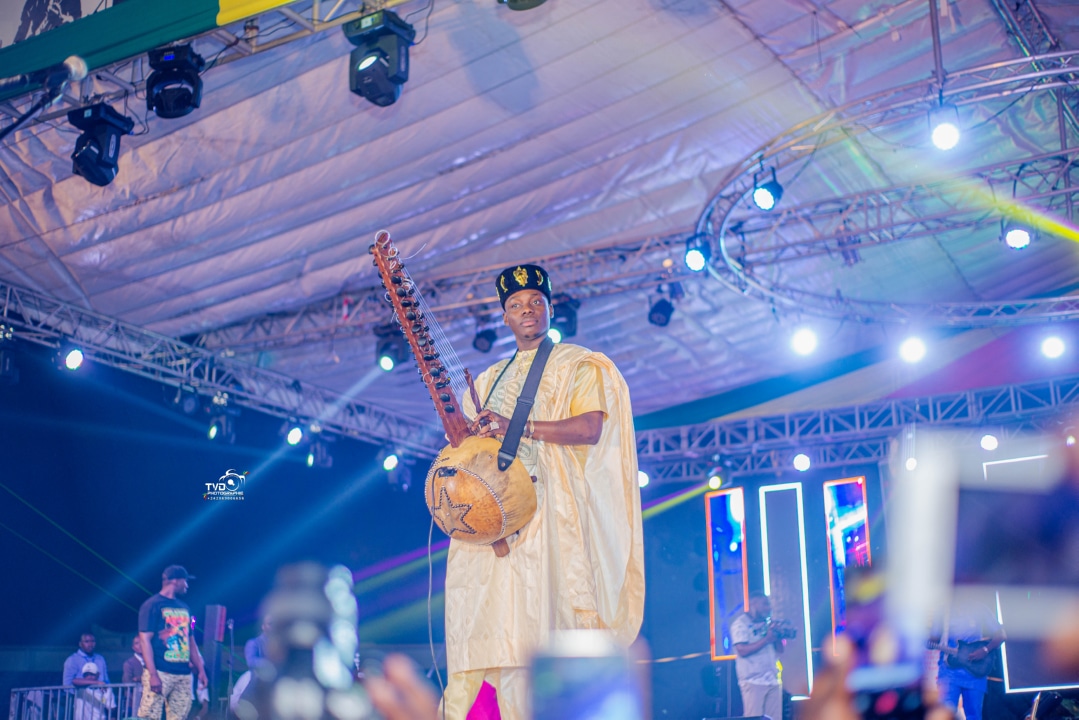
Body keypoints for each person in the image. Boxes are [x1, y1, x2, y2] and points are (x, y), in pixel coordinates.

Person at [443, 264, 645, 719]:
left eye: (536, 301)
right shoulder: (487, 379)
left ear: (551, 308)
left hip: (551, 513)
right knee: (488, 632)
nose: (527, 310)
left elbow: (590, 429)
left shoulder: (578, 363)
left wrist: (520, 426)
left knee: (541, 627)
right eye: (516, 305)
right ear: (505, 317)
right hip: (495, 525)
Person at [137, 565, 208, 720]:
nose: (187, 585)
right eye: (185, 581)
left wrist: (201, 669)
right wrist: (153, 674)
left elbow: (190, 641)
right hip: (161, 671)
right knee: (150, 716)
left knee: (179, 717)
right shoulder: (152, 605)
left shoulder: (184, 607)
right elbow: (144, 640)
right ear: (175, 581)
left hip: (183, 674)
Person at [930, 599, 1005, 720]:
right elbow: (933, 640)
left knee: (974, 716)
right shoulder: (943, 610)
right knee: (944, 715)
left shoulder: (979, 608)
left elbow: (1001, 635)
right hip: (949, 672)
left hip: (975, 670)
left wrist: (985, 650)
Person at [731, 592, 785, 720]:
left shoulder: (768, 624)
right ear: (753, 604)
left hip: (772, 679)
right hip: (753, 681)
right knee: (754, 718)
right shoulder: (741, 624)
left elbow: (780, 649)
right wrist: (766, 639)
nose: (768, 608)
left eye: (769, 604)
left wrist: (778, 635)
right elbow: (742, 650)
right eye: (764, 604)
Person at [122, 636, 144, 712]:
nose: (140, 645)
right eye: (137, 643)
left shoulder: (153, 661)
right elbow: (128, 683)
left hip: (149, 702)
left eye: (142, 642)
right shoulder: (129, 663)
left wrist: (138, 678)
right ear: (133, 647)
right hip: (133, 703)